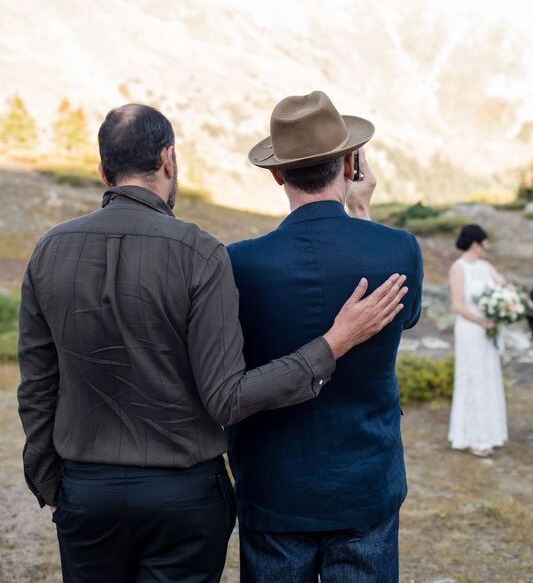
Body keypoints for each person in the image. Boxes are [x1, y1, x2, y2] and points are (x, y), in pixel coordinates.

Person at [17, 103, 408, 583]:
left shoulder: (49, 250)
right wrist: (332, 340)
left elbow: (36, 384)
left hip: (95, 490)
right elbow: (226, 395)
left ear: (102, 171)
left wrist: (51, 482)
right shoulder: (201, 253)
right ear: (168, 159)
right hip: (193, 493)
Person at [226, 91, 423, 583]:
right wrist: (363, 215)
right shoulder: (399, 249)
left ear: (277, 174)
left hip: (274, 488)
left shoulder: (240, 262)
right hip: (365, 483)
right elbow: (407, 317)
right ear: (351, 163)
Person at [448, 223, 508, 457]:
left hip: (488, 330)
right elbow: (458, 305)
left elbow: (504, 289)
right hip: (470, 330)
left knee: (489, 376)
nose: (487, 246)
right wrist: (483, 322)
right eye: (485, 241)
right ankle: (472, 437)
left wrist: (509, 306)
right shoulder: (458, 268)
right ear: (476, 242)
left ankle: (491, 433)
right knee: (473, 377)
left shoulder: (486, 267)